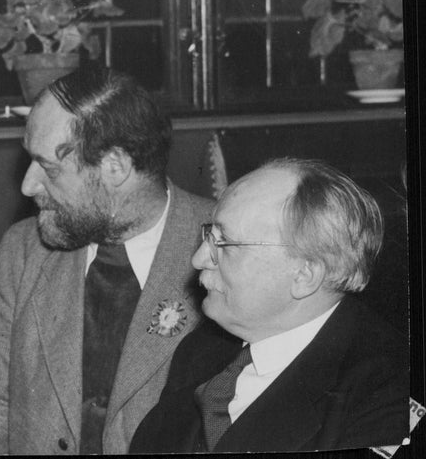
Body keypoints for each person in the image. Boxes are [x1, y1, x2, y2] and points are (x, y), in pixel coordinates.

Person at [0, 68, 215, 454]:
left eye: (49, 168)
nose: (28, 186)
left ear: (115, 167)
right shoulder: (23, 251)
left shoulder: (224, 251)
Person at [129, 157, 409, 453]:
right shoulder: (200, 351)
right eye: (209, 234)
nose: (198, 259)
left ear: (304, 275)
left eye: (224, 243)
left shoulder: (386, 397)